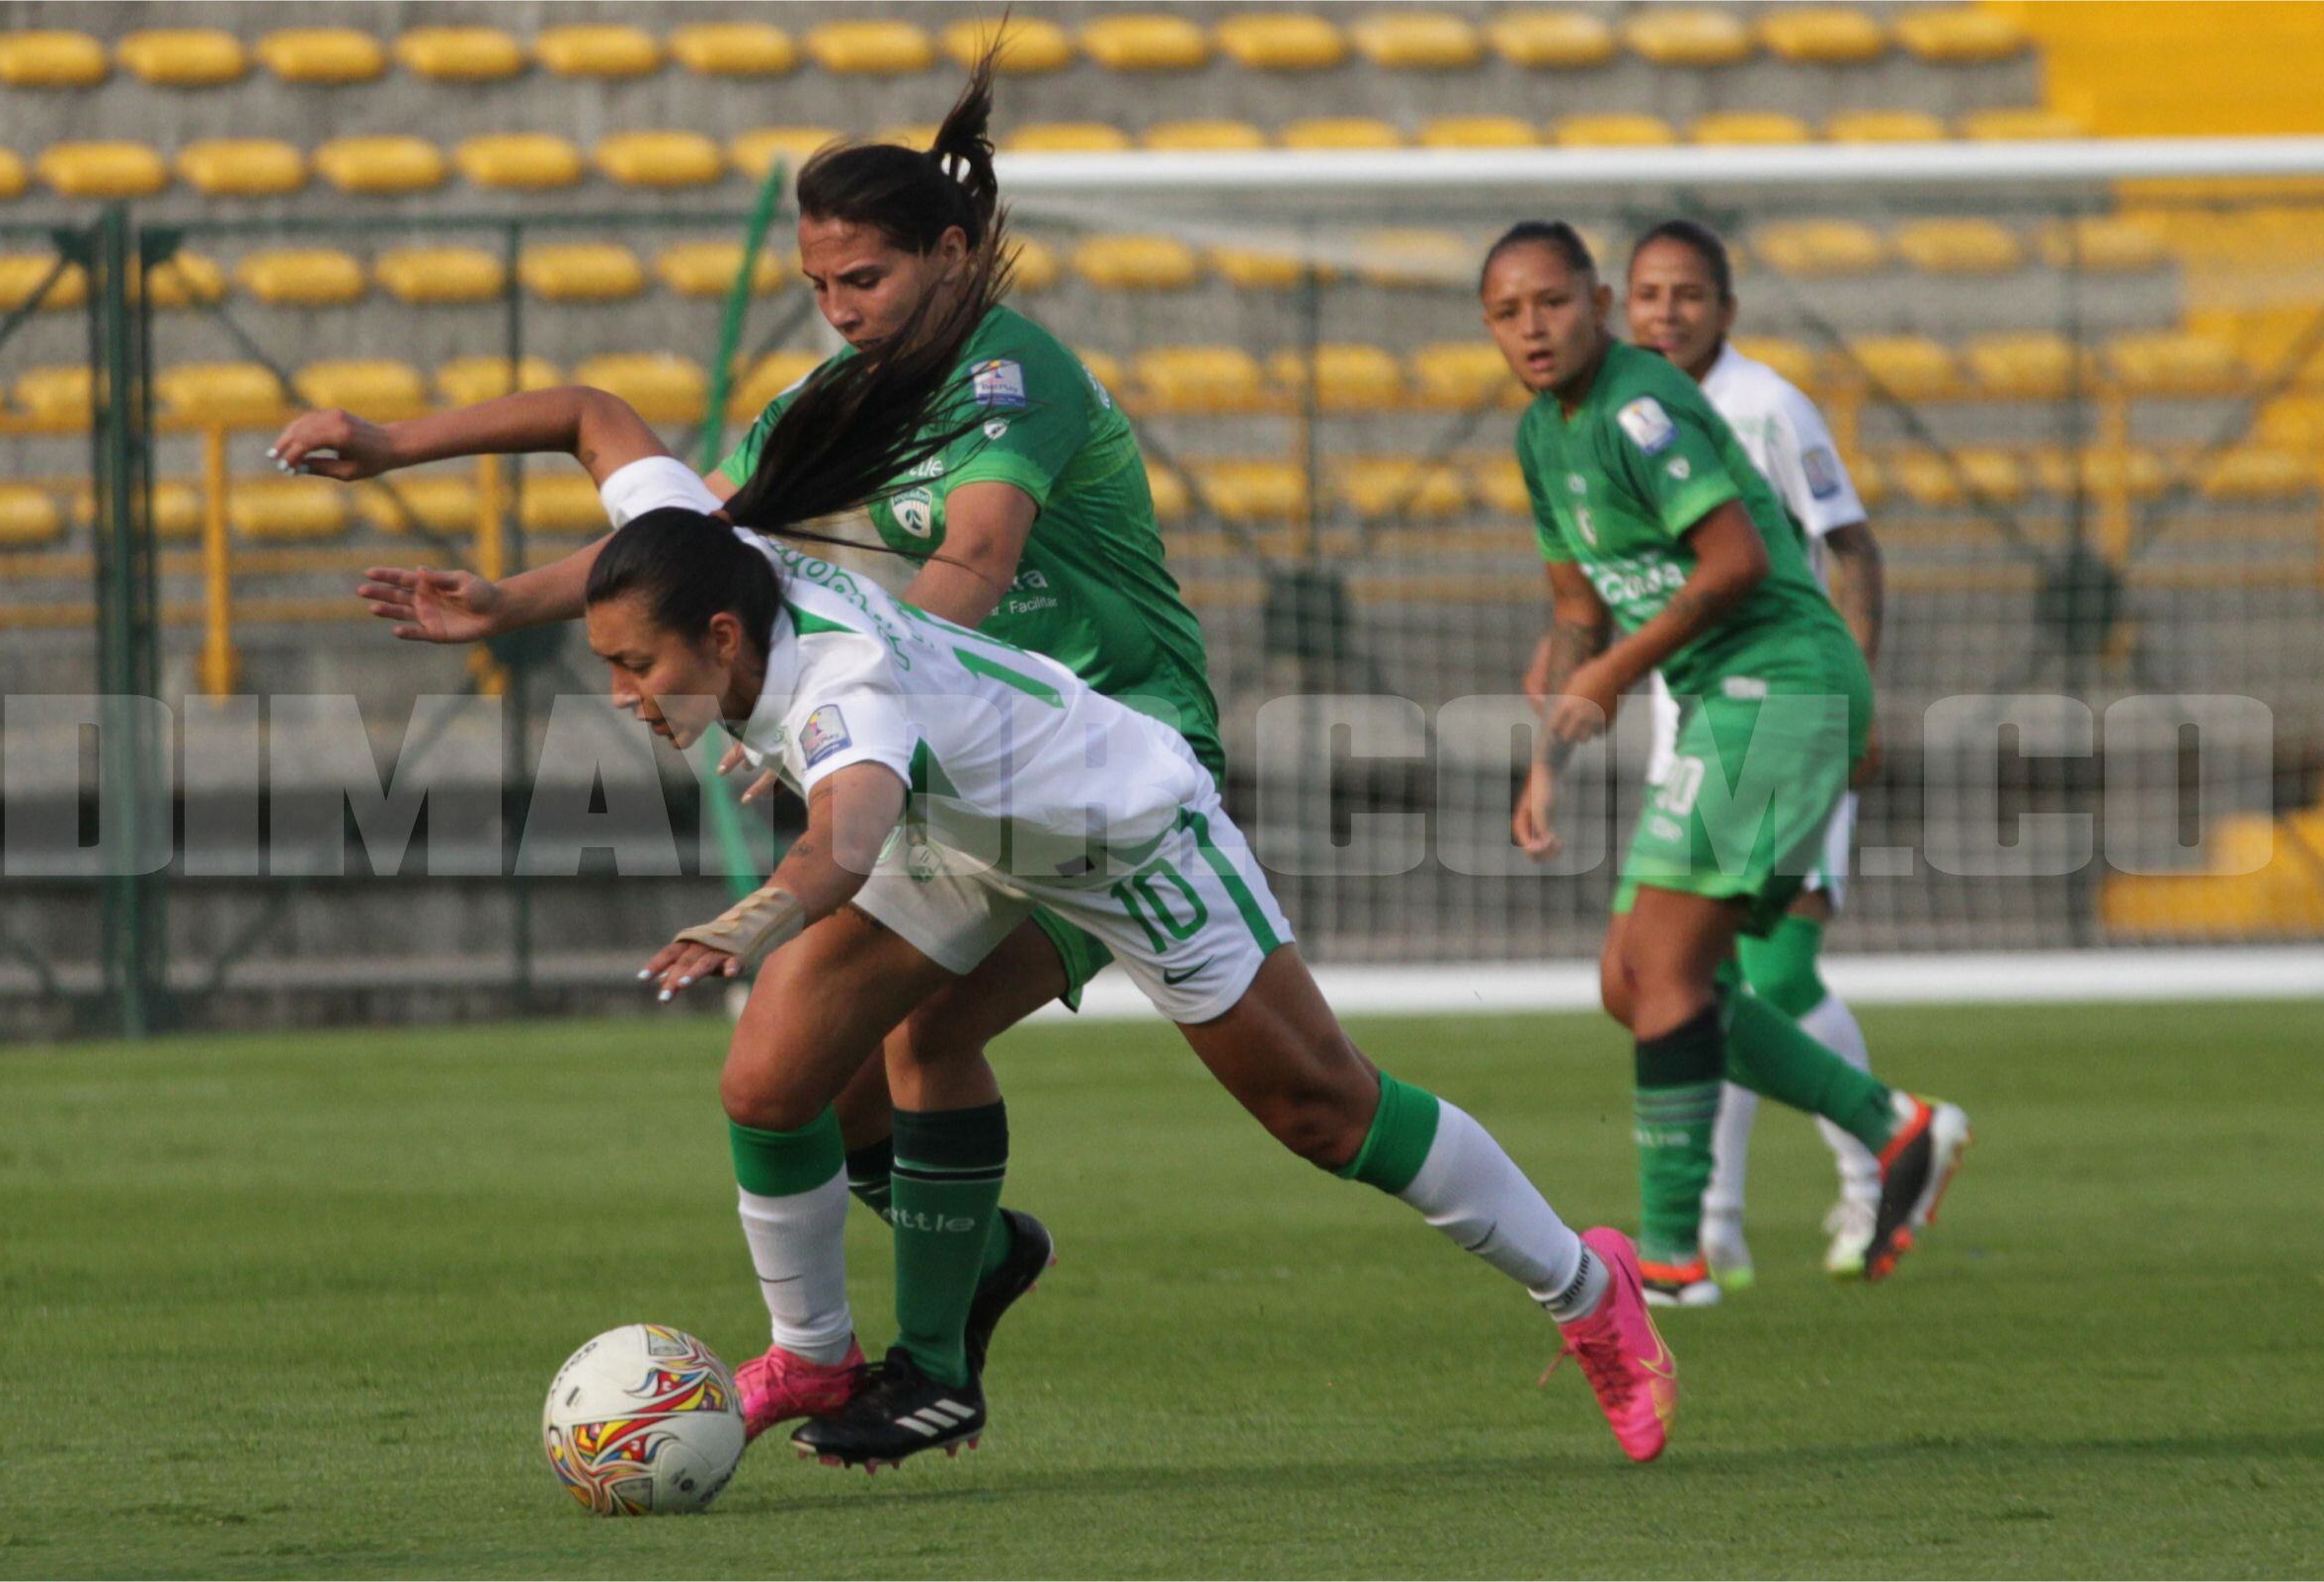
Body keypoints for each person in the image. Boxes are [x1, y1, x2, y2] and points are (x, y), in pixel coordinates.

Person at [275, 233, 1681, 1471]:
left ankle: (1586, 1286)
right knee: (773, 1077)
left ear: (718, 638)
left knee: (1325, 1111)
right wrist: (396, 451)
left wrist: (746, 923)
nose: (627, 694)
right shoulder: (714, 563)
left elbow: (846, 837)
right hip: (969, 826)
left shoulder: (842, 692)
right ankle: (824, 1351)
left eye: (638, 669)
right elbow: (590, 415)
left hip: (1125, 827)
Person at [336, 50, 1221, 1441]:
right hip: (935, 784)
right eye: (817, 286)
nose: (837, 308)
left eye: (859, 279)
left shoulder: (1013, 371)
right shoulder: (834, 403)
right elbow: (703, 551)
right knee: (796, 1068)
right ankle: (957, 1276)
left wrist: (860, 694)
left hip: (1107, 771)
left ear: (948, 255)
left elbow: (978, 561)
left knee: (931, 1037)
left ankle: (934, 1361)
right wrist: (509, 597)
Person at [1481, 218, 1970, 1306]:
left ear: (1597, 303)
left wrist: (1612, 676)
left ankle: (1674, 1257)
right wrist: (1547, 755)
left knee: (1665, 972)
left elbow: (1740, 561)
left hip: (1781, 686)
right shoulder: (1541, 435)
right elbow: (1575, 611)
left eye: (1552, 303)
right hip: (1725, 702)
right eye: (1508, 314)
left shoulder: (1642, 405)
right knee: (1633, 978)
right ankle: (1891, 1128)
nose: (1534, 329)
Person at [1623, 218, 1888, 1286]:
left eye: (1690, 293)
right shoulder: (1626, 416)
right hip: (1687, 731)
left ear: (1725, 309)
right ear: (1624, 305)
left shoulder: (1768, 407)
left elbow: (1852, 548)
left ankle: (1880, 1171)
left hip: (1785, 721)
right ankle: (1717, 1226)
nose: (1669, 312)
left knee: (1769, 973)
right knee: (1688, 978)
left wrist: (1857, 704)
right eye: (1651, 293)